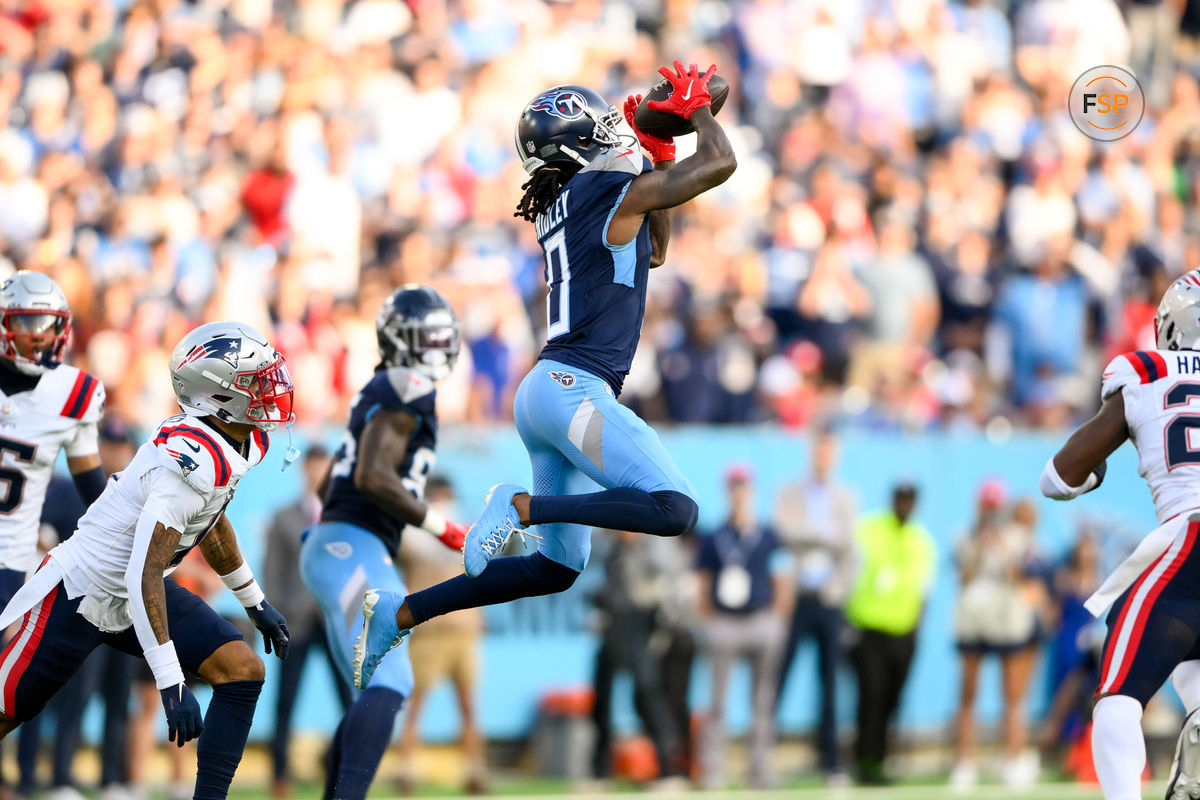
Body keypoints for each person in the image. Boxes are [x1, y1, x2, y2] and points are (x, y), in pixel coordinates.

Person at [353, 61, 737, 688]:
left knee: (555, 570)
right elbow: (721, 166)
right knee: (676, 509)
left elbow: (656, 250)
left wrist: (658, 148)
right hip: (572, 389)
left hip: (546, 393)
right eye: (605, 128)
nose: (618, 134)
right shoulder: (598, 190)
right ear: (582, 141)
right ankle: (521, 505)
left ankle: (402, 612)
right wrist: (693, 114)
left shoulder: (569, 199)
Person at [0, 321, 293, 800]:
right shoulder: (188, 463)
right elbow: (143, 572)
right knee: (5, 710)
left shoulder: (241, 440)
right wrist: (170, 681)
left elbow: (211, 520)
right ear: (218, 394)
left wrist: (254, 602)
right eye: (256, 381)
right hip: (82, 593)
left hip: (139, 591)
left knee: (243, 668)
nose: (272, 388)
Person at [299, 285, 468, 800]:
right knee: (390, 677)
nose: (439, 346)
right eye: (429, 336)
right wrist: (444, 527)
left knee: (369, 692)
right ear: (401, 339)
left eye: (444, 335)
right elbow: (371, 476)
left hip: (339, 547)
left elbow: (331, 485)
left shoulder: (383, 386)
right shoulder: (409, 385)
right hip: (353, 547)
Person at [1038, 267, 1200, 800]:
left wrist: (1094, 468)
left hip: (1190, 538)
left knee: (1118, 695)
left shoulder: (1146, 369)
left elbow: (1057, 478)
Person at [0, 270, 109, 798]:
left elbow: (93, 485)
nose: (38, 333)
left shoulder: (73, 394)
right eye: (26, 321)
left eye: (48, 323)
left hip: (11, 567)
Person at [29, 420, 141, 800]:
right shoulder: (71, 493)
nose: (114, 452)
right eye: (107, 444)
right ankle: (61, 777)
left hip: (126, 612)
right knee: (76, 696)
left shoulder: (141, 493)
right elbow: (45, 544)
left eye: (121, 445)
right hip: (81, 610)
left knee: (117, 697)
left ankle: (111, 778)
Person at [263, 444, 350, 798]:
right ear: (304, 471)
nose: (316, 473)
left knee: (347, 699)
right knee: (285, 702)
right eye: (312, 466)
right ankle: (280, 773)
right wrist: (276, 614)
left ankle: (342, 768)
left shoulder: (341, 518)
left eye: (322, 467)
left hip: (331, 620)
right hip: (296, 621)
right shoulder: (284, 518)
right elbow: (273, 572)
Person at [695, 465, 789, 790]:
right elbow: (703, 583)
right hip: (725, 620)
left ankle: (760, 770)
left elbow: (782, 578)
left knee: (762, 702)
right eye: (734, 487)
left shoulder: (766, 534)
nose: (739, 493)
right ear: (727, 491)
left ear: (751, 491)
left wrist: (778, 617)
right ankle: (714, 771)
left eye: (744, 487)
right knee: (719, 701)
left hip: (760, 618)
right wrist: (708, 618)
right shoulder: (715, 536)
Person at [773, 428, 858, 782]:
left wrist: (810, 533)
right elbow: (785, 532)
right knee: (778, 676)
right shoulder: (792, 492)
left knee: (830, 682)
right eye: (818, 451)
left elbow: (848, 546)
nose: (823, 458)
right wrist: (823, 535)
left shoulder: (846, 497)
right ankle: (763, 752)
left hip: (828, 597)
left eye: (828, 452)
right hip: (797, 597)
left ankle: (830, 758)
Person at [395, 476, 487, 795]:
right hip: (429, 629)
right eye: (438, 497)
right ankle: (404, 770)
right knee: (417, 703)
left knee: (468, 705)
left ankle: (475, 770)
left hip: (464, 629)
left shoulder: (467, 531)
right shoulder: (412, 537)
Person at [949, 482, 1043, 789]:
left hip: (1007, 621)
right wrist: (980, 547)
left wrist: (1002, 550)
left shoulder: (1017, 538)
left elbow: (1020, 577)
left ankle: (1013, 760)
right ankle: (964, 763)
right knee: (968, 694)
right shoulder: (964, 536)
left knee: (1013, 696)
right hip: (974, 620)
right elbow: (963, 576)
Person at [845, 482, 935, 785]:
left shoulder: (921, 540)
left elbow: (924, 591)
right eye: (901, 499)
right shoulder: (870, 529)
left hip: (902, 632)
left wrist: (915, 633)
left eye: (910, 500)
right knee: (871, 695)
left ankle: (880, 758)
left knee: (891, 700)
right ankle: (865, 760)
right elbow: (851, 572)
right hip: (869, 628)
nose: (905, 505)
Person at [588, 529, 686, 786]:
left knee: (646, 695)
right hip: (615, 622)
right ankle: (600, 771)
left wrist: (663, 625)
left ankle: (669, 768)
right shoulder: (612, 549)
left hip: (644, 622)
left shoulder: (656, 542)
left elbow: (672, 582)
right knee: (602, 697)